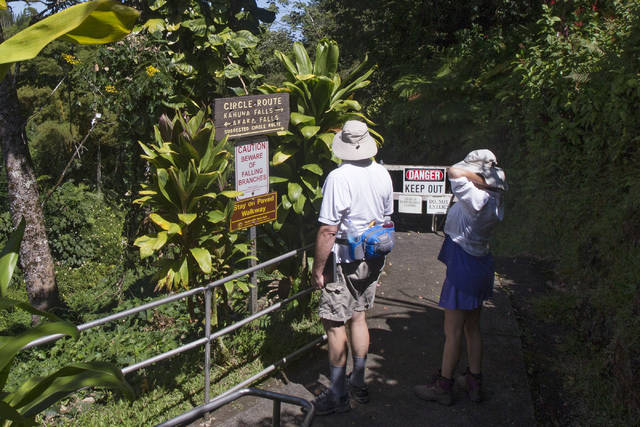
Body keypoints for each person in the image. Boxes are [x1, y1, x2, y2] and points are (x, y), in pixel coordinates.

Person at [310, 120, 394, 415]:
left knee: (334, 324)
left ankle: (336, 395)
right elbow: (386, 219)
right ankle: (358, 383)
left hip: (344, 260)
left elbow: (328, 231)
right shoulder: (382, 173)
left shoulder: (338, 177)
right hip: (372, 257)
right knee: (358, 317)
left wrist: (318, 268)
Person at [414, 149, 507, 406]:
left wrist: (475, 174)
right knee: (473, 328)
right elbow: (497, 176)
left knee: (452, 332)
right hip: (481, 264)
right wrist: (491, 176)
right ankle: (474, 381)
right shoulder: (495, 197)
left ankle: (444, 385)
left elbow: (453, 171)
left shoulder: (473, 196)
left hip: (462, 265)